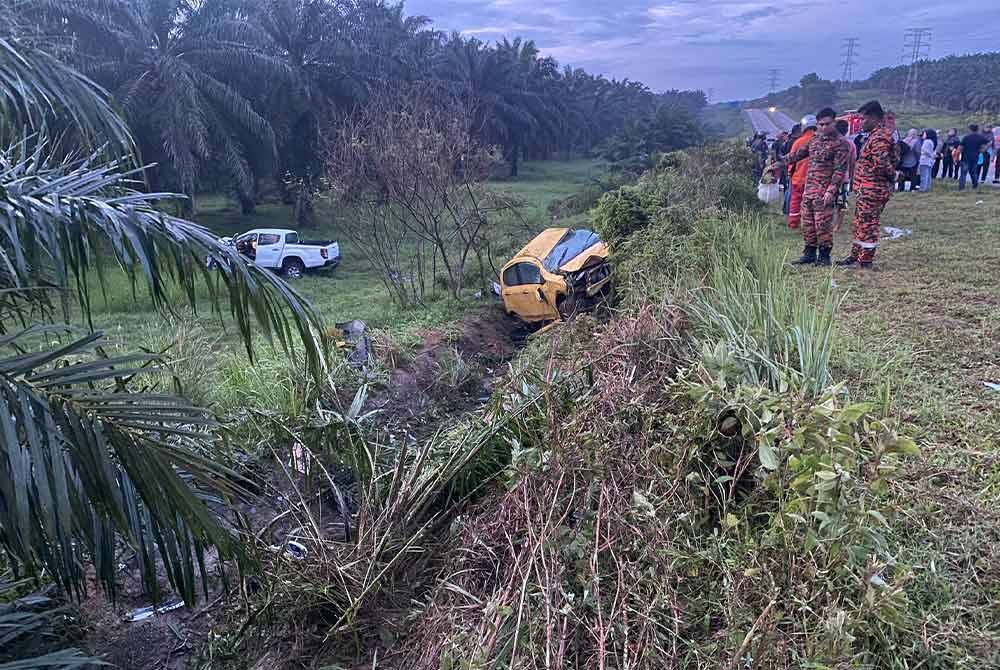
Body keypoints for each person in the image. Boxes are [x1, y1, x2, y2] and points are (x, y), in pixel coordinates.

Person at [837, 100, 899, 269]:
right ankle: (855, 256)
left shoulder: (879, 137)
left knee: (868, 224)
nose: (861, 123)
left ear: (874, 118)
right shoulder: (874, 136)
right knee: (860, 223)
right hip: (866, 188)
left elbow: (882, 163)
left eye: (863, 119)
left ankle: (865, 260)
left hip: (873, 189)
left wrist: (890, 177)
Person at [786, 108, 850, 266]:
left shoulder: (841, 143)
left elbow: (839, 170)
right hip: (809, 189)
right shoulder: (814, 139)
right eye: (820, 124)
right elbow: (797, 155)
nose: (823, 127)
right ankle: (809, 253)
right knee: (808, 224)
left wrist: (831, 190)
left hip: (824, 191)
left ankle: (824, 256)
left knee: (822, 225)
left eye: (827, 124)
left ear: (834, 122)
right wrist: (779, 163)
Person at [787, 115, 817, 229]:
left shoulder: (798, 142)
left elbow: (791, 160)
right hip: (815, 181)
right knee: (813, 203)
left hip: (798, 178)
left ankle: (794, 223)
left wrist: (790, 173)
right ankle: (811, 224)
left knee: (795, 200)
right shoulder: (820, 141)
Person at [832, 119, 857, 231]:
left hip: (830, 177)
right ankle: (838, 225)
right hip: (844, 178)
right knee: (841, 202)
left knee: (828, 201)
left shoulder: (831, 143)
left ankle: (828, 222)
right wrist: (851, 176)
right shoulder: (851, 144)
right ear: (847, 131)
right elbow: (852, 162)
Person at [959, 124, 987, 190]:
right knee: (973, 172)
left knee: (963, 174)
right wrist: (983, 150)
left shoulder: (966, 137)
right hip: (975, 157)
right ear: (977, 129)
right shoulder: (980, 137)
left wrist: (960, 153)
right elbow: (989, 142)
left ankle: (961, 187)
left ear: (970, 129)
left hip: (965, 157)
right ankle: (975, 185)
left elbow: (960, 147)